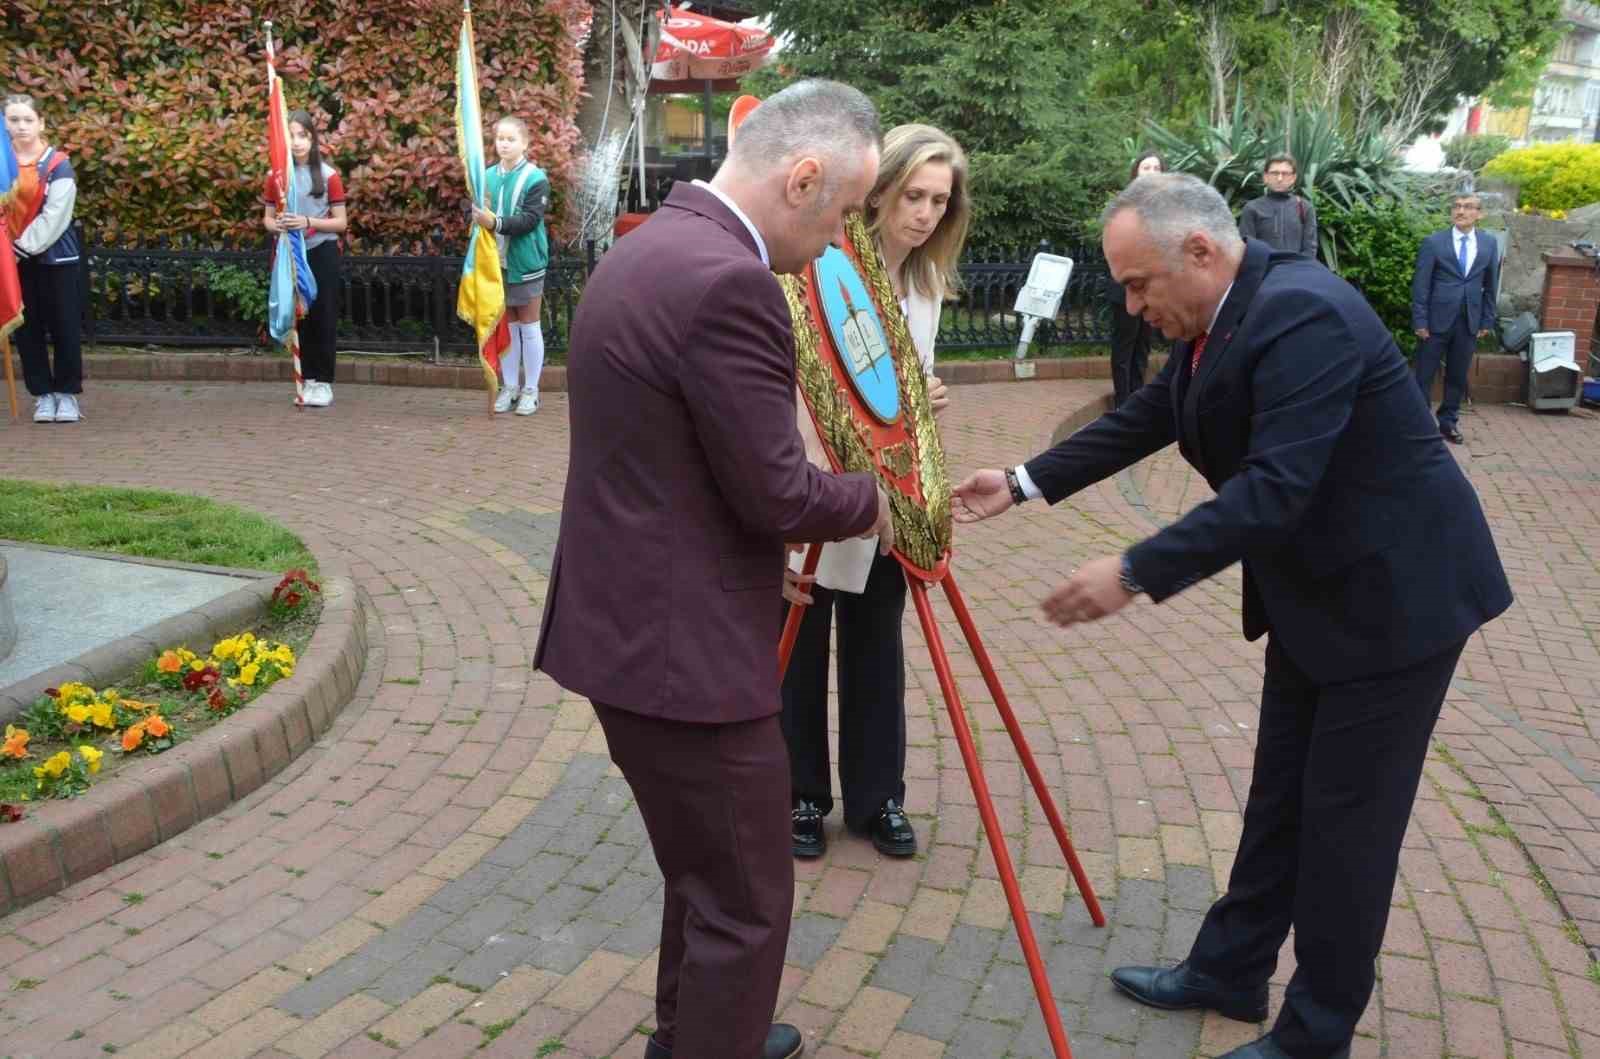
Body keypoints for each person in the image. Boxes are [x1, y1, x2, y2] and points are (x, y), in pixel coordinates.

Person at [952, 173, 1511, 1059]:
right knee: (1280, 797)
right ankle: (1231, 969)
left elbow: (1275, 490)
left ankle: (1315, 1033)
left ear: (1202, 252)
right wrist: (1024, 482)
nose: (1133, 307)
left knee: (1346, 827)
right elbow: (1158, 412)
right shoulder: (1228, 311)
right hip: (1316, 596)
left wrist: (1136, 570)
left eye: (1139, 285)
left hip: (1398, 603)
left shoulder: (1303, 314)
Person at [534, 79, 892, 1059]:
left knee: (704, 880)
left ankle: (691, 1037)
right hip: (681, 658)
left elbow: (669, 466)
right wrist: (876, 499)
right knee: (743, 900)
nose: (836, 244)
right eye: (842, 216)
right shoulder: (732, 282)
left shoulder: (649, 248)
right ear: (803, 176)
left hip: (629, 632)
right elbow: (777, 493)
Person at [783, 123, 967, 861]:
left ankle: (877, 797)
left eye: (939, 201)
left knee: (877, 639)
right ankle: (800, 794)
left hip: (890, 489)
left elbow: (906, 393)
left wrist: (927, 398)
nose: (923, 214)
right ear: (881, 190)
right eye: (913, 195)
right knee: (798, 638)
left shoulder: (924, 287)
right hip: (817, 475)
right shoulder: (825, 263)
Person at [5, 94, 84, 424]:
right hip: (10, 261)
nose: (21, 126)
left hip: (56, 259)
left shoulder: (57, 163)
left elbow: (56, 215)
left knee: (64, 326)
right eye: (13, 120)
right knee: (27, 329)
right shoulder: (1, 162)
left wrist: (20, 248)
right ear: (4, 124)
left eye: (27, 119)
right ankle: (42, 395)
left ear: (40, 124)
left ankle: (66, 395)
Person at [262, 110, 347, 408]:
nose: (297, 142)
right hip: (291, 253)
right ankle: (307, 377)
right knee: (302, 315)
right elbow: (268, 220)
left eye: (302, 135)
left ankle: (323, 381)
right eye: (291, 136)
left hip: (321, 252)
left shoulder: (328, 176)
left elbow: (340, 223)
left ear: (312, 138)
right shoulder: (276, 177)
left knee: (323, 314)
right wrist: (281, 226)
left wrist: (307, 222)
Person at [475, 115, 550, 415]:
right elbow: (478, 211)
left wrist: (495, 221)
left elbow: (530, 220)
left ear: (525, 143)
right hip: (497, 264)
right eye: (499, 139)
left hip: (526, 262)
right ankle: (509, 387)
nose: (504, 144)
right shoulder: (487, 176)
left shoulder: (536, 178)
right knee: (507, 326)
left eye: (510, 139)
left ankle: (531, 389)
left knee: (529, 326)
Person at [1410, 193, 1499, 445]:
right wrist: (1420, 320)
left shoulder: (1489, 243)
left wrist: (1486, 320)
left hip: (1469, 321)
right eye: (1457, 206)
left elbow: (1491, 284)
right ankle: (1420, 425)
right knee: (1424, 374)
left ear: (1479, 214)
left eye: (1468, 207)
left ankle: (1448, 423)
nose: (1461, 211)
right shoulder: (1434, 242)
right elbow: (1421, 285)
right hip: (1435, 321)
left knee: (1457, 376)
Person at [1106, 150, 1164, 405]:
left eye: (1156, 168)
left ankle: (1136, 396)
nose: (1151, 172)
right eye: (1146, 167)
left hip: (1155, 285)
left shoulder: (1168, 205)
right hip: (1128, 283)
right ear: (1136, 172)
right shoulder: (1123, 205)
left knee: (1143, 344)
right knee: (1125, 344)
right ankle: (1122, 400)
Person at [1237, 154, 1318, 258]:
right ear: (1265, 177)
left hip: (1297, 270)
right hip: (1264, 271)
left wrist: (1302, 271)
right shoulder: (1252, 208)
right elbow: (1246, 248)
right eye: (1274, 173)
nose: (1280, 178)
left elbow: (1310, 249)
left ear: (1293, 178)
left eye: (1285, 174)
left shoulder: (1305, 207)